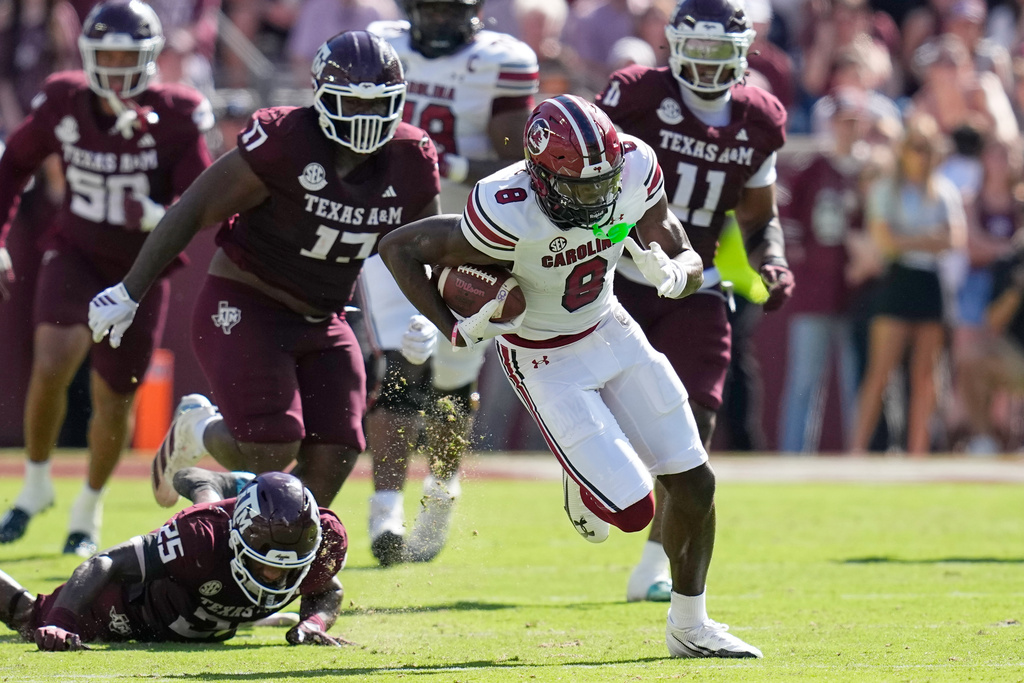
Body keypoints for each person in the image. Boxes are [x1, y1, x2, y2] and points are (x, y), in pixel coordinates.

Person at [379, 93, 763, 659]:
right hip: (541, 356)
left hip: (610, 325)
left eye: (604, 182)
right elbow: (401, 247)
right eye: (581, 188)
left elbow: (678, 244)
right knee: (633, 514)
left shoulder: (631, 165)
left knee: (695, 481)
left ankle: (690, 625)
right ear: (540, 176)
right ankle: (581, 476)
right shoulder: (504, 205)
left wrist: (679, 273)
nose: (598, 197)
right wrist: (451, 328)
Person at [88, 30, 442, 509]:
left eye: (377, 106)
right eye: (350, 104)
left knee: (338, 449)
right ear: (321, 98)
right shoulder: (286, 141)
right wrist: (130, 291)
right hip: (248, 301)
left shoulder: (411, 158)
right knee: (269, 446)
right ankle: (198, 428)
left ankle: (293, 563)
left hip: (327, 314)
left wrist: (430, 315)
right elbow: (194, 208)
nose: (364, 119)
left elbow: (426, 250)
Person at [593, 0, 791, 602]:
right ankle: (593, 480)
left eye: (718, 54)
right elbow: (580, 180)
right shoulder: (635, 96)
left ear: (741, 54)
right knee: (602, 407)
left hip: (695, 282)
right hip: (614, 275)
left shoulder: (758, 118)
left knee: (696, 418)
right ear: (674, 46)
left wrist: (773, 259)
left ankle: (654, 562)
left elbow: (761, 217)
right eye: (696, 52)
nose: (705, 68)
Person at [0, 0, 213, 557]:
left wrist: (152, 213)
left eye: (128, 55)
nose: (117, 67)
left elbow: (203, 196)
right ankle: (37, 484)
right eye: (107, 54)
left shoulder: (177, 112)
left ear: (150, 57)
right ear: (88, 54)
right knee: (50, 361)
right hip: (74, 250)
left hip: (142, 268)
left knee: (115, 396)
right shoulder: (64, 98)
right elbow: (13, 164)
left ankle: (87, 507)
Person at [362, 0, 538, 565]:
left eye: (449, 7)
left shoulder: (503, 60)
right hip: (394, 229)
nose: (438, 18)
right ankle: (385, 508)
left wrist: (444, 164)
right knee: (400, 362)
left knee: (454, 380)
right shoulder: (378, 44)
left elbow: (519, 163)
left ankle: (440, 495)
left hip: (473, 237)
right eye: (429, 6)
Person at [0, 471, 352, 650]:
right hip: (132, 608)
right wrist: (62, 620)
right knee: (31, 619)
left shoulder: (325, 543)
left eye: (289, 568)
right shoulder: (199, 539)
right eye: (264, 562)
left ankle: (223, 484)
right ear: (240, 536)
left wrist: (313, 624)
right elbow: (105, 561)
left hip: (194, 611)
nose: (276, 575)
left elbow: (328, 591)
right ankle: (203, 481)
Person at [850, 113, 967, 455]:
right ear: (903, 150)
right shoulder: (886, 188)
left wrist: (909, 239)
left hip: (931, 284)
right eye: (916, 147)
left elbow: (955, 239)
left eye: (928, 148)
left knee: (925, 377)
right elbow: (886, 242)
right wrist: (928, 239)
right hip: (897, 280)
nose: (922, 155)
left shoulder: (944, 190)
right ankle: (856, 449)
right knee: (880, 373)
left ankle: (918, 452)